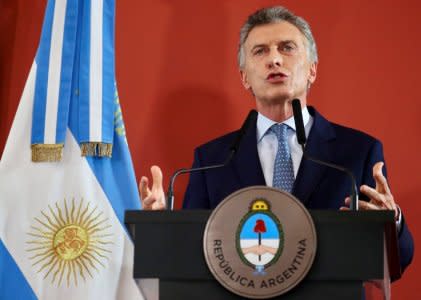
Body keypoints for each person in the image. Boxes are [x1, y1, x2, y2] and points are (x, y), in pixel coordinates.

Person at [139, 6, 413, 273]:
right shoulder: (211, 161)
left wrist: (392, 223)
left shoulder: (358, 152)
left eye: (287, 48)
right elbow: (190, 259)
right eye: (260, 51)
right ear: (244, 77)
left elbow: (395, 264)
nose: (275, 60)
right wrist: (160, 228)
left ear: (312, 70)